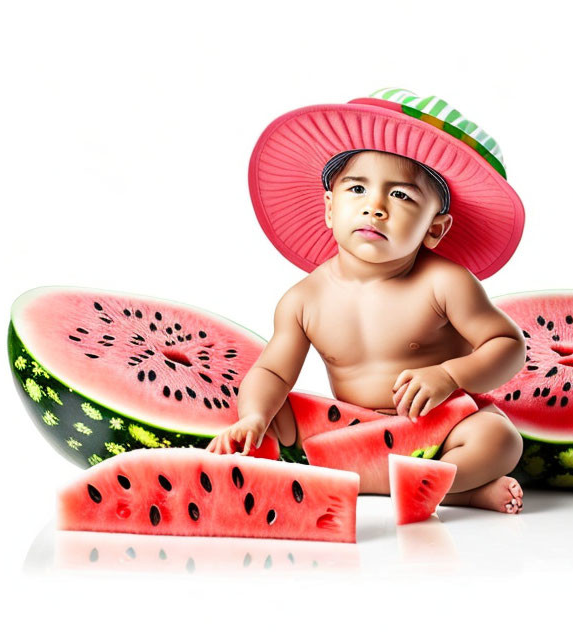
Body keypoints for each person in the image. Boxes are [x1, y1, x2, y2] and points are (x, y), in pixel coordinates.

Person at [208, 88, 527, 513]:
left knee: (499, 440)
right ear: (329, 207)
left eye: (400, 196)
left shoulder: (445, 283)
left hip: (439, 424)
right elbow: (272, 370)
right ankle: (453, 492)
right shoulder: (303, 299)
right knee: (270, 417)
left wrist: (450, 375)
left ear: (436, 228)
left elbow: (508, 346)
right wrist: (252, 416)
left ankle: (445, 483)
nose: (375, 207)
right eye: (357, 188)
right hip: (342, 436)